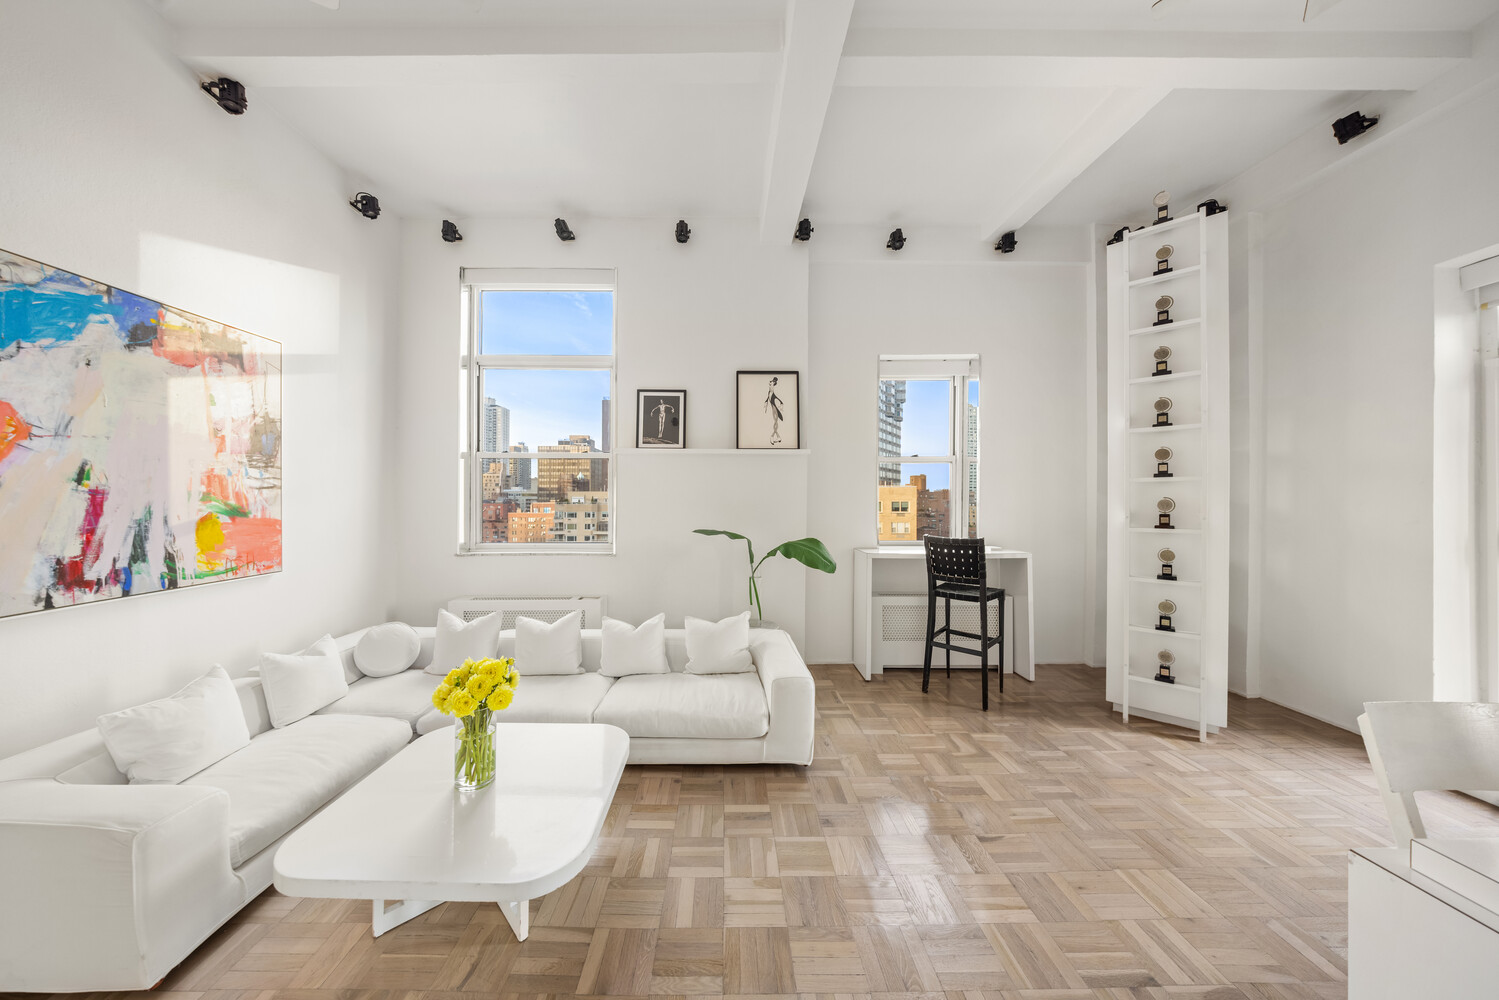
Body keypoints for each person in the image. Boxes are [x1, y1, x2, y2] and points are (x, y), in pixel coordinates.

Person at [763, 377, 784, 445]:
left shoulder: (772, 392)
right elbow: (767, 398)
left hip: (775, 409)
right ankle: (778, 437)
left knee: (775, 422)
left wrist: (781, 406)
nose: (770, 384)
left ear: (774, 384)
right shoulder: (769, 392)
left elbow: (780, 401)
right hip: (773, 408)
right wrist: (765, 404)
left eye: (772, 383)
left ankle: (772, 437)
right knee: (775, 423)